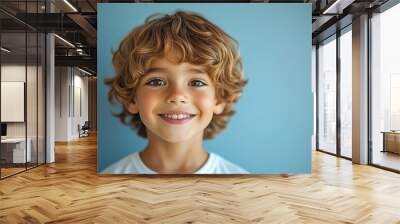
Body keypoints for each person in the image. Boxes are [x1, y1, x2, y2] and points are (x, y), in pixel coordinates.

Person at [102, 10, 248, 174]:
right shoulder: (109, 179)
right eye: (157, 81)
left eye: (196, 82)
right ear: (132, 99)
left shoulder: (241, 183)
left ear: (219, 99)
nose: (177, 96)